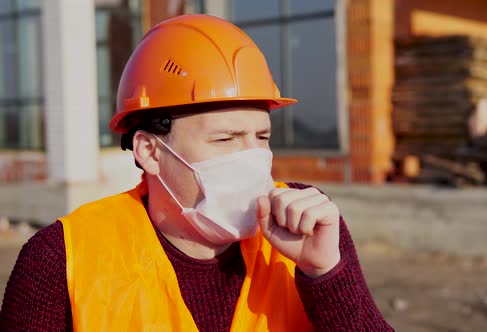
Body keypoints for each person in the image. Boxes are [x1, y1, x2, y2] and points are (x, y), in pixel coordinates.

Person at [0, 14, 394, 331]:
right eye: (226, 140)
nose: (252, 157)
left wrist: (326, 274)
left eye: (262, 136)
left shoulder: (311, 226)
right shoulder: (61, 259)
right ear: (150, 151)